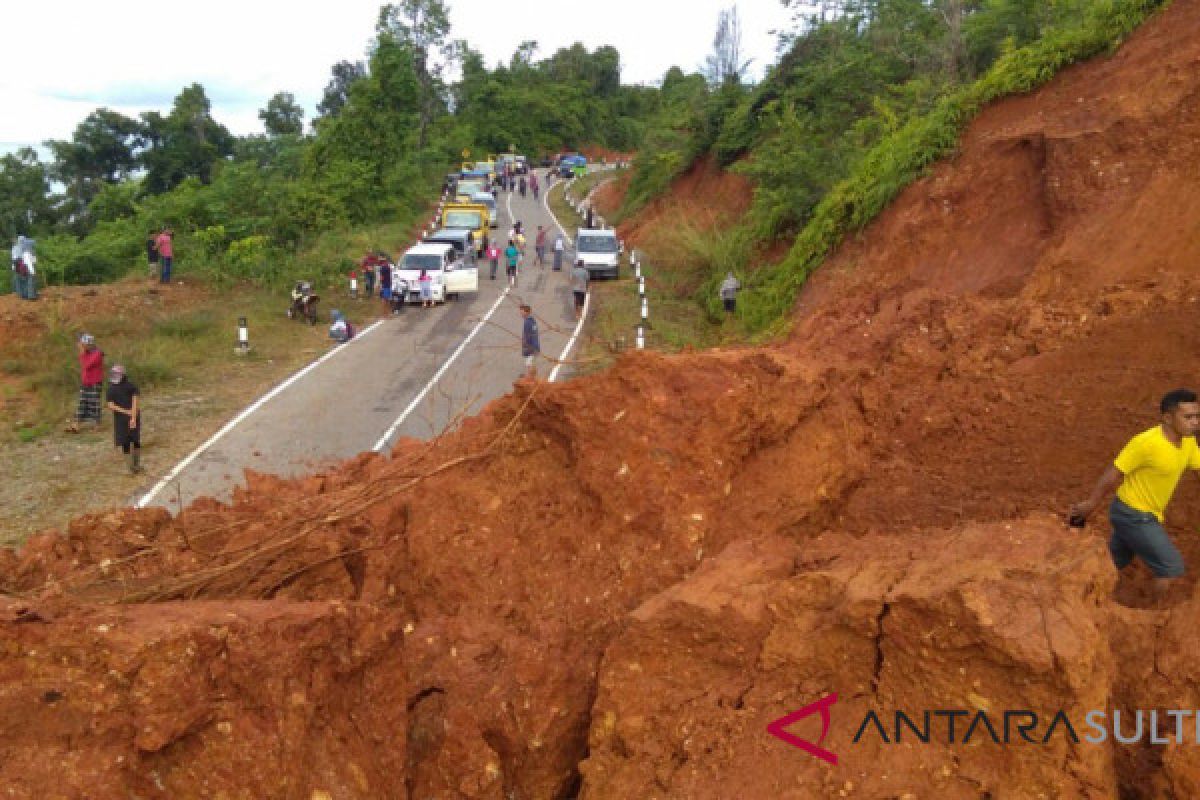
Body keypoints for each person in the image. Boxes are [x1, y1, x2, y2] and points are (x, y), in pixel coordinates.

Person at [1069, 389, 1200, 604]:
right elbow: (1114, 473)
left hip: (1144, 514)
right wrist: (1091, 504)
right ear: (1167, 418)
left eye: (1197, 416)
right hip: (1133, 515)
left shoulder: (1188, 442)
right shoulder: (1146, 443)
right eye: (1188, 417)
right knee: (1171, 568)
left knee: (1113, 562)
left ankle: (1077, 593)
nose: (1195, 422)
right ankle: (1154, 621)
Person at [105, 364, 144, 474]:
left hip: (124, 417)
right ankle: (132, 467)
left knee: (133, 440)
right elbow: (110, 405)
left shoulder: (129, 386)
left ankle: (134, 467)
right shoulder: (112, 388)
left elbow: (134, 401)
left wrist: (131, 416)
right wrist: (131, 414)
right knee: (128, 441)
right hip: (124, 417)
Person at [66, 334, 104, 433]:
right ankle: (76, 425)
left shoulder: (97, 353)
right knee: (82, 403)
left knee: (94, 403)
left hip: (95, 382)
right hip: (86, 382)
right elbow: (83, 365)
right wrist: (83, 354)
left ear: (88, 344)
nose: (81, 347)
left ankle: (97, 425)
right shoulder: (86, 353)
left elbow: (86, 365)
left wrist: (82, 353)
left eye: (83, 345)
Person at [520, 304, 540, 380]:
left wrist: (533, 347)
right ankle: (531, 377)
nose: (521, 314)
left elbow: (531, 336)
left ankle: (531, 378)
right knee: (530, 363)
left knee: (529, 363)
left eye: (522, 312)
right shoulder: (531, 321)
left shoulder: (528, 322)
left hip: (531, 347)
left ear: (526, 312)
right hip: (532, 346)